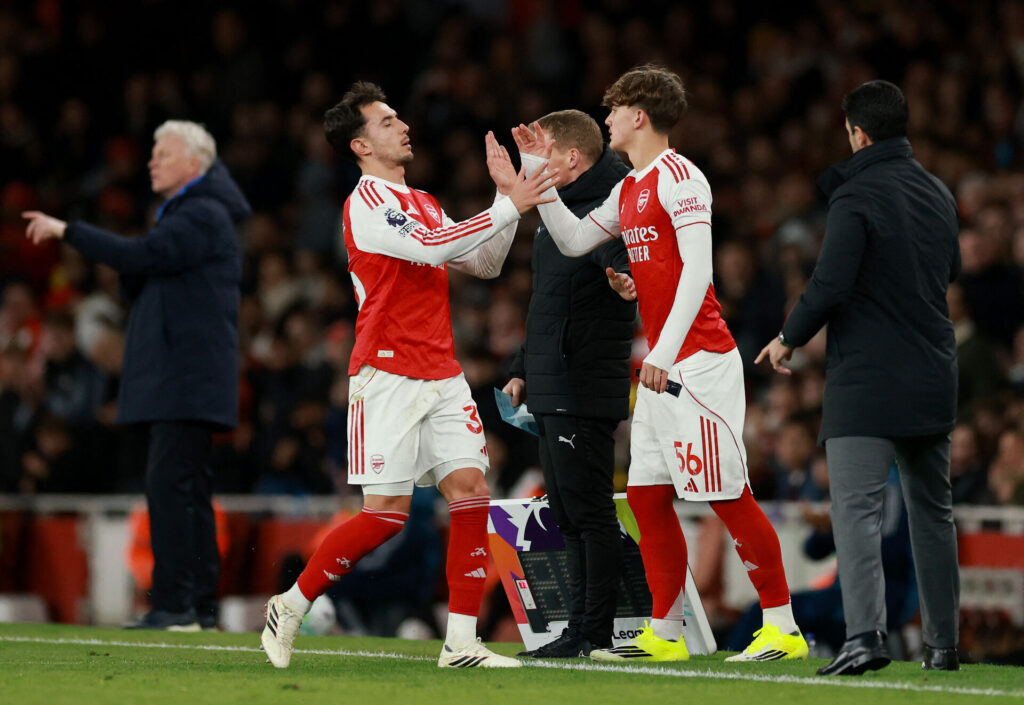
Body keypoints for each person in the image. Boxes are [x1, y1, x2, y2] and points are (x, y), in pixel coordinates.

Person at [513, 65, 807, 663]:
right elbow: (573, 240)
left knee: (727, 496)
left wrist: (664, 354)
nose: (607, 119)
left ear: (639, 116)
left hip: (697, 364)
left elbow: (699, 271)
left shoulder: (682, 178)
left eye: (614, 109)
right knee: (646, 498)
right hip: (663, 370)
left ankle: (783, 626)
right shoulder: (628, 188)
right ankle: (665, 634)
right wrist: (537, 175)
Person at [258, 81, 552, 670]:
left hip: (442, 371)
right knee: (386, 515)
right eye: (388, 121)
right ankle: (291, 603)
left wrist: (506, 198)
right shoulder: (364, 204)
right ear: (361, 145)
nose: (404, 126)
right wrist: (508, 206)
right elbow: (433, 248)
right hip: (386, 373)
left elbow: (484, 263)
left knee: (471, 490)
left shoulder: (423, 200)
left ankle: (461, 642)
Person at [756, 80, 961, 675]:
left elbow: (830, 282)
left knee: (855, 512)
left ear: (858, 133)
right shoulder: (938, 192)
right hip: (933, 371)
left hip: (868, 379)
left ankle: (865, 638)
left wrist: (789, 336)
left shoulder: (856, 194)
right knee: (933, 513)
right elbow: (949, 269)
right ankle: (943, 647)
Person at [23, 120, 251, 630]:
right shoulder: (194, 214)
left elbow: (139, 257)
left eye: (163, 153)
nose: (152, 161)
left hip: (184, 380)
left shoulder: (201, 213)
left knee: (170, 487)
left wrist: (68, 231)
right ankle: (196, 605)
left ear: (194, 162)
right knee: (187, 490)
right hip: (188, 378)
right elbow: (143, 270)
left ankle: (176, 603)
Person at [487, 110, 635, 658]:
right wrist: (523, 368)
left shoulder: (610, 204)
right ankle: (579, 630)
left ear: (572, 158)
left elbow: (623, 259)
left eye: (541, 150)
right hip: (553, 382)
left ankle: (594, 632)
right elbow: (548, 303)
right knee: (568, 514)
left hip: (583, 382)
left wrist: (626, 279)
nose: (534, 161)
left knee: (590, 513)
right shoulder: (558, 209)